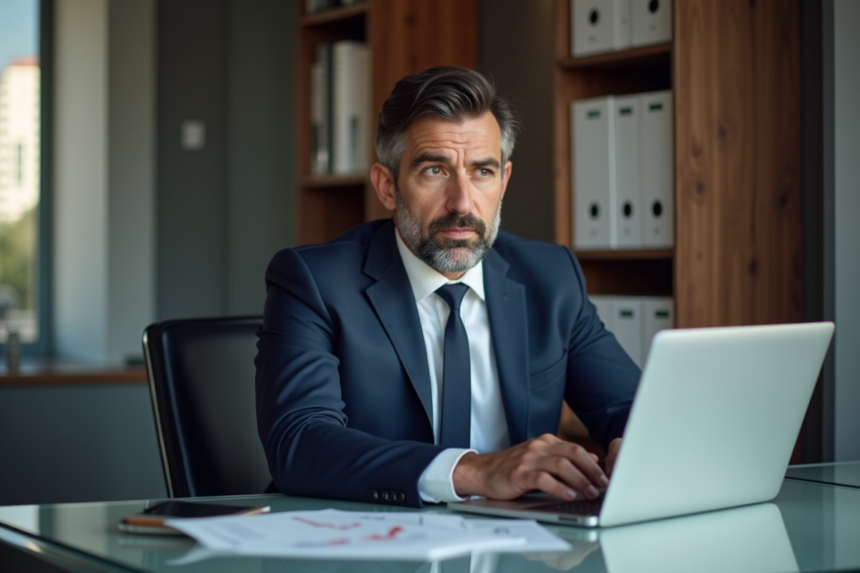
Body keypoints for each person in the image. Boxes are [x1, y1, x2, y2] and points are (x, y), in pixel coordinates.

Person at [255, 66, 640, 508]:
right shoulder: (313, 282)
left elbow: (632, 408)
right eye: (435, 170)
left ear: (504, 180)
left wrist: (640, 443)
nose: (462, 202)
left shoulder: (551, 277)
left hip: (517, 546)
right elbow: (300, 442)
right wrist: (474, 471)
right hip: (368, 543)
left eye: (482, 172)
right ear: (387, 186)